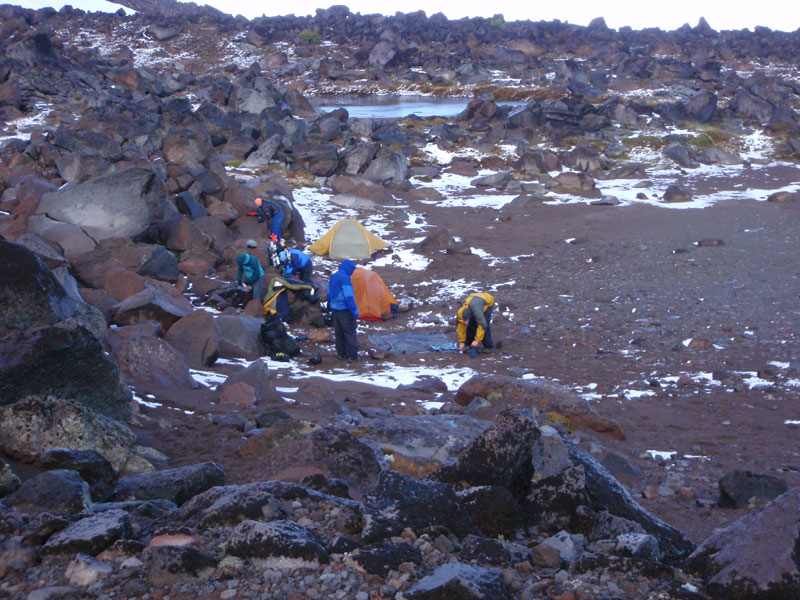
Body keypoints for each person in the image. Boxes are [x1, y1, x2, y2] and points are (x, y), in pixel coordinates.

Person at [327, 259, 359, 361]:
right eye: (352, 269)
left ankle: (341, 354)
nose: (353, 271)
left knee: (339, 333)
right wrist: (354, 311)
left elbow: (329, 293)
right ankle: (353, 356)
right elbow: (348, 296)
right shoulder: (345, 278)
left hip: (335, 310)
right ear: (348, 268)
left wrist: (330, 304)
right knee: (349, 332)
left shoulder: (334, 276)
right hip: (344, 310)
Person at [236, 240, 265, 304]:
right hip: (249, 275)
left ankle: (256, 307)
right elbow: (240, 271)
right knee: (246, 291)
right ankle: (246, 303)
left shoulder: (253, 260)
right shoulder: (241, 261)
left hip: (258, 277)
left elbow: (257, 274)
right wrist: (239, 280)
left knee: (256, 294)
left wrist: (249, 281)